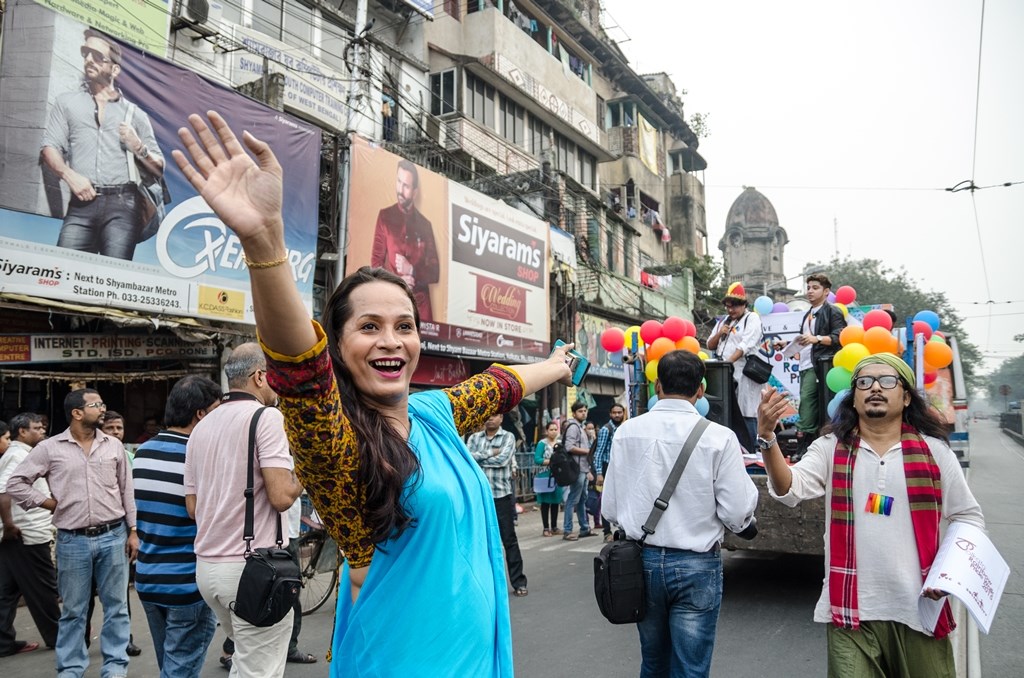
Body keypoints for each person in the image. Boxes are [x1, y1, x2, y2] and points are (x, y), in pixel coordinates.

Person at [171, 110, 574, 677]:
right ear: (336, 347)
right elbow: (300, 377)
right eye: (369, 327)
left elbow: (499, 385)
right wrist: (264, 243)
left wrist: (554, 365)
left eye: (404, 326)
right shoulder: (339, 446)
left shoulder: (432, 412)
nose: (391, 341)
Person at [756, 353, 985, 677]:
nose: (875, 387)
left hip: (920, 610)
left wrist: (949, 573)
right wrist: (767, 438)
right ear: (854, 397)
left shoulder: (935, 452)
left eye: (887, 380)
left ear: (905, 396)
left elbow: (968, 517)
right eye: (864, 382)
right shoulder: (829, 448)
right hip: (850, 612)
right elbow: (788, 489)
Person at [603, 350, 758, 678]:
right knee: (691, 669)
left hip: (639, 562)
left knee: (653, 662)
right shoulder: (719, 437)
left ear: (657, 385)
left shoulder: (627, 432)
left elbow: (611, 508)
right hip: (696, 566)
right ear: (700, 390)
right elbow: (737, 511)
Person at [184, 344, 303, 678]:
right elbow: (281, 496)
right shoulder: (266, 417)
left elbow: (192, 507)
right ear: (260, 377)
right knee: (259, 670)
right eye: (276, 378)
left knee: (246, 662)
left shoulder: (200, 428)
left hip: (207, 570)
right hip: (252, 570)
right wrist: (306, 475)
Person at [7, 389, 138, 678]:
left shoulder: (114, 447)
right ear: (77, 413)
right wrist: (49, 503)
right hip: (72, 540)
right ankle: (70, 669)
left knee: (116, 607)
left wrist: (133, 531)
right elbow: (16, 483)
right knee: (74, 611)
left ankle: (115, 668)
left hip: (113, 534)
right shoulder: (50, 448)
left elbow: (127, 490)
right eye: (96, 405)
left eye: (103, 403)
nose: (102, 408)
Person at [40, 29, 165, 260]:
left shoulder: (135, 114)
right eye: (85, 53)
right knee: (61, 272)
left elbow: (158, 168)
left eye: (97, 56)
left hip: (124, 206)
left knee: (112, 281)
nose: (88, 59)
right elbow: (49, 147)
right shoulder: (67, 103)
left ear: (114, 69)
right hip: (81, 203)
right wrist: (69, 175)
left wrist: (138, 146)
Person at [133, 376, 222, 677]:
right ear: (201, 414)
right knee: (179, 671)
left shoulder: (142, 453)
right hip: (186, 584)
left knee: (170, 667)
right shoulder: (199, 456)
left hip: (148, 579)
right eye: (216, 411)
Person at [0, 414, 59, 658]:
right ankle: (60, 636)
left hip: (18, 534)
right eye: (36, 428)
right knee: (44, 588)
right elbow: (4, 493)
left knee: (6, 591)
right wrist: (10, 525)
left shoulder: (18, 453)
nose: (42, 430)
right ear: (22, 432)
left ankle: (3, 641)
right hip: (27, 533)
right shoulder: (18, 454)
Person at [94, 409, 142, 657]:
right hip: (91, 532)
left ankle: (124, 640)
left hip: (120, 532)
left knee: (120, 591)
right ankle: (81, 640)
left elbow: (132, 496)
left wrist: (133, 531)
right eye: (110, 428)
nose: (115, 433)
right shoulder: (90, 454)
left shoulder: (128, 456)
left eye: (119, 428)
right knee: (85, 597)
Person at [370, 159, 440, 321]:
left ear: (415, 192)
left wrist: (413, 271)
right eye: (399, 182)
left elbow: (435, 272)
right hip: (391, 301)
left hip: (421, 308)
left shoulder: (425, 225)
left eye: (406, 186)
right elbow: (375, 262)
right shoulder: (385, 216)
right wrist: (397, 280)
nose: (400, 190)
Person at [468, 414, 528, 598]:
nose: (489, 418)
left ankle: (519, 582)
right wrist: (491, 453)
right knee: (479, 541)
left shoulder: (508, 437)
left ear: (501, 417)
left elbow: (503, 460)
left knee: (509, 540)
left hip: (501, 495)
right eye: (487, 415)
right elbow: (467, 459)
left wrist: (481, 458)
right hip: (478, 497)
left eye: (494, 415)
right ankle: (485, 585)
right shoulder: (474, 438)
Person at [790, 273, 846, 456]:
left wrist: (817, 339)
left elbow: (840, 337)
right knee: (807, 405)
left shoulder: (833, 311)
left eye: (815, 288)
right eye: (808, 288)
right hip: (806, 364)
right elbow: (805, 340)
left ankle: (805, 447)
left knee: (808, 404)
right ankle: (809, 447)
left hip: (821, 366)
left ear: (826, 291)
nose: (810, 291)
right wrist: (788, 346)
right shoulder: (808, 314)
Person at [705, 281, 762, 449]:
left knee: (746, 410)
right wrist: (720, 333)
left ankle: (751, 448)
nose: (731, 310)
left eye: (734, 307)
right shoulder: (724, 321)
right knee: (725, 410)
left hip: (744, 372)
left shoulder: (752, 319)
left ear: (744, 305)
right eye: (728, 307)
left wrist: (727, 364)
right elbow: (710, 344)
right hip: (724, 374)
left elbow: (745, 345)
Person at [562, 401, 597, 541]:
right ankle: (568, 530)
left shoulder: (580, 427)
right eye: (580, 411)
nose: (583, 413)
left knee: (582, 499)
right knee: (573, 499)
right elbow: (569, 447)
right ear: (574, 413)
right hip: (576, 468)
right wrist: (588, 451)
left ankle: (584, 528)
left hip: (583, 467)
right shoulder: (573, 427)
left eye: (585, 410)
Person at [591, 403, 626, 542]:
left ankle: (622, 530)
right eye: (614, 412)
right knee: (607, 499)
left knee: (622, 499)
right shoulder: (606, 429)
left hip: (621, 467)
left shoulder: (624, 427)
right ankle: (607, 531)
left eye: (619, 412)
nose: (617, 415)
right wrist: (599, 473)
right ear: (610, 414)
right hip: (607, 467)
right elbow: (598, 453)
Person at [533, 421, 562, 537]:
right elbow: (537, 459)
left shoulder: (560, 443)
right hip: (544, 475)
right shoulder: (542, 444)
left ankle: (554, 527)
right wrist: (551, 462)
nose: (554, 432)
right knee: (545, 503)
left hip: (558, 475)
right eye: (551, 429)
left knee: (556, 501)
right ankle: (546, 528)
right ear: (546, 431)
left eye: (556, 429)